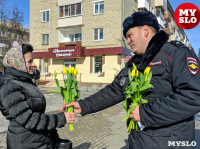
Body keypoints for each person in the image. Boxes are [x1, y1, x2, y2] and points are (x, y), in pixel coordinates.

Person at [62, 11, 200, 149]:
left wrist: (146, 113)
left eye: (129, 35)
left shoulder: (175, 54)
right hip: (138, 141)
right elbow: (115, 90)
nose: (127, 42)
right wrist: (84, 105)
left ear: (145, 31)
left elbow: (194, 96)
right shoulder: (134, 63)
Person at [0, 44, 75, 149]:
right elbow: (29, 119)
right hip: (25, 143)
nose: (34, 64)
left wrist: (54, 137)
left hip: (38, 140)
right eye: (29, 61)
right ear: (18, 63)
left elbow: (38, 114)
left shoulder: (25, 81)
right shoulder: (9, 86)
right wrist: (61, 118)